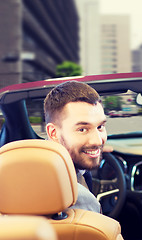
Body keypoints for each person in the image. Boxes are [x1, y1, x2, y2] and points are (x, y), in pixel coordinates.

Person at [44, 80, 108, 213]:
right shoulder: (78, 200)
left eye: (100, 127)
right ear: (53, 133)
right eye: (82, 130)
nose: (97, 141)